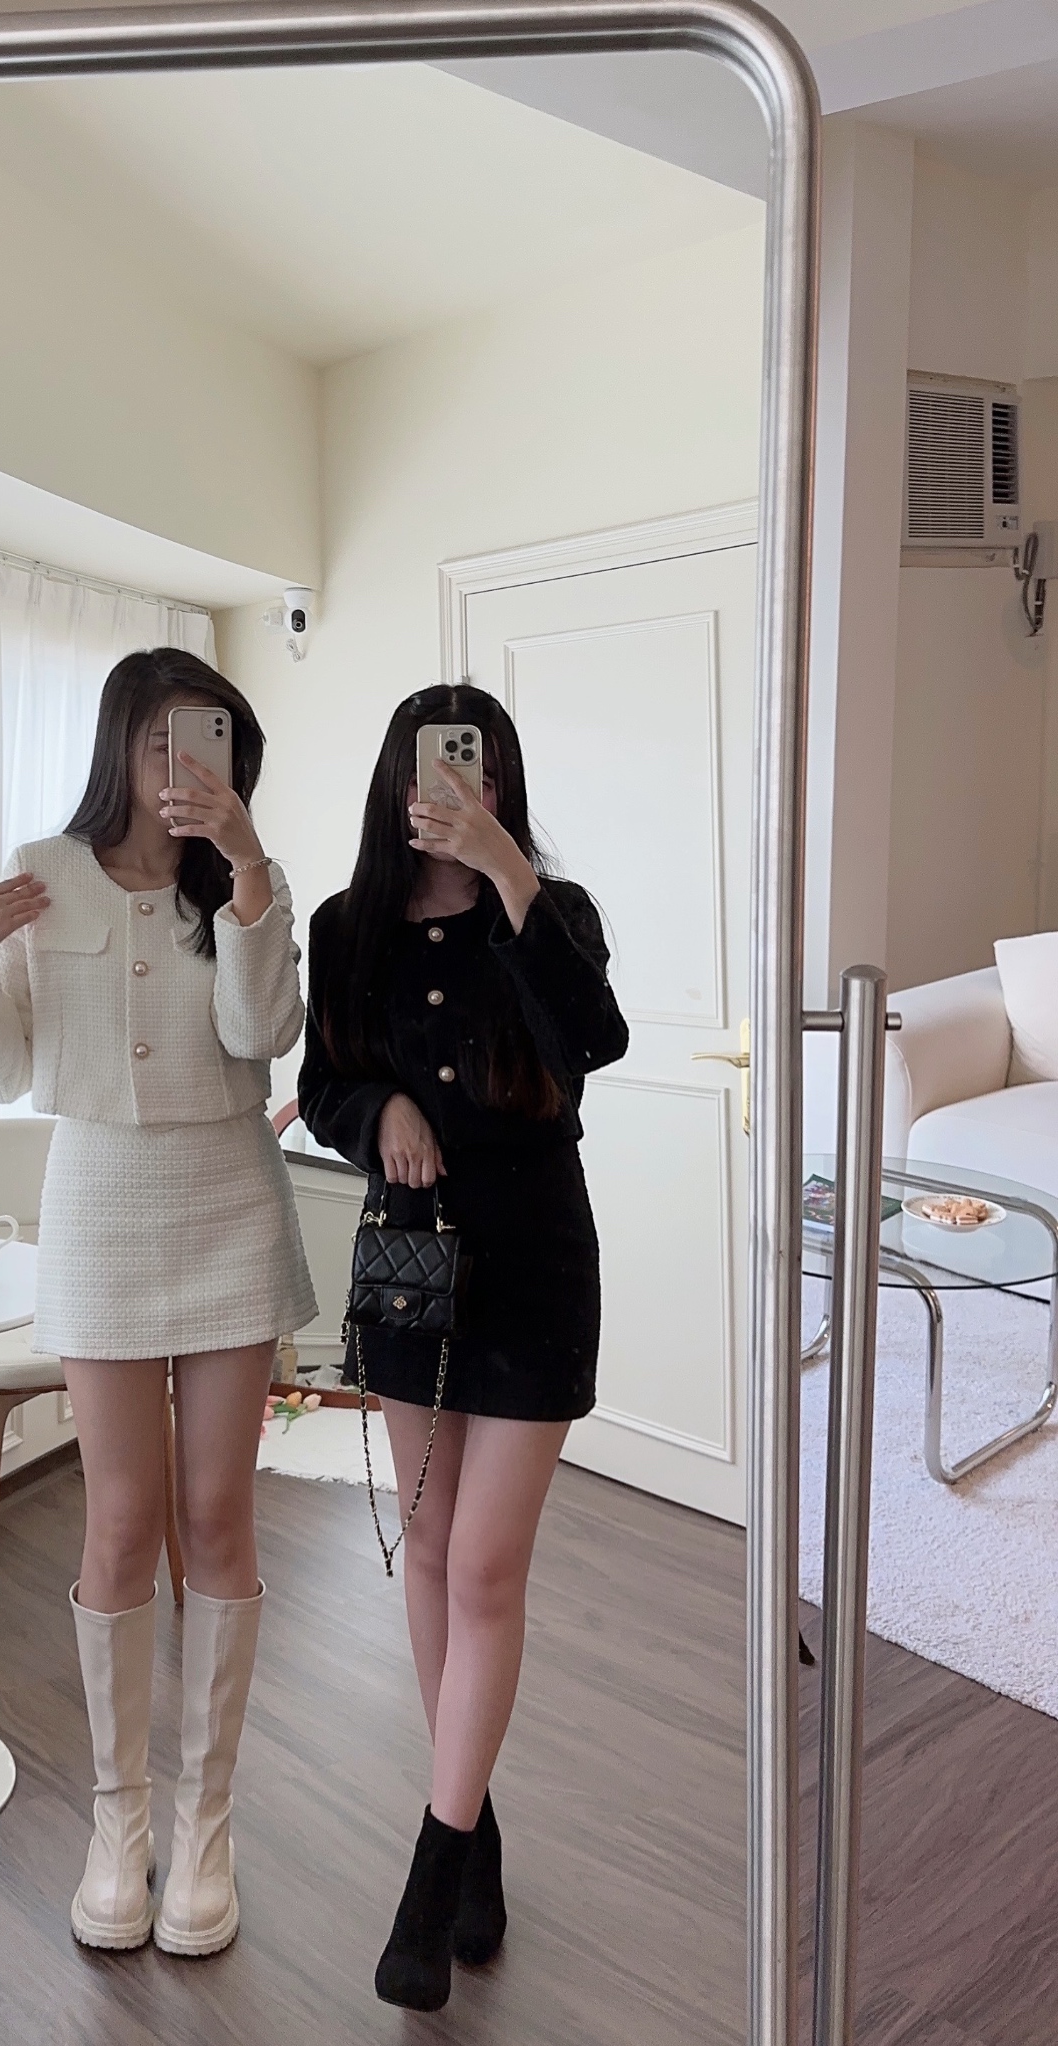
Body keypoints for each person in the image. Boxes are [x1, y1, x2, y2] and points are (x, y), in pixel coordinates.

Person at [0, 647, 316, 1958]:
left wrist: (249, 864)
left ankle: (205, 1826)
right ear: (116, 746)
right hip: (99, 1210)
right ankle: (119, 1822)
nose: (180, 766)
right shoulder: (46, 868)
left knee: (217, 1515)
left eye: (202, 740)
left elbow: (262, 1035)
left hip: (228, 1204)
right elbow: (7, 1061)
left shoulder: (244, 879)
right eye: (156, 741)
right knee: (118, 1521)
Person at [298, 683, 628, 2011]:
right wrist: (375, 1110)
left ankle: (432, 1877)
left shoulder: (553, 911)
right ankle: (474, 1826)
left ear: (502, 784)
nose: (451, 788)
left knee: (485, 1565)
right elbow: (322, 1080)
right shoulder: (346, 928)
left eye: (476, 769)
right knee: (429, 1553)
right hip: (410, 1272)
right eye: (432, 767)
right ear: (396, 782)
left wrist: (507, 874)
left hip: (535, 1269)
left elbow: (592, 1040)